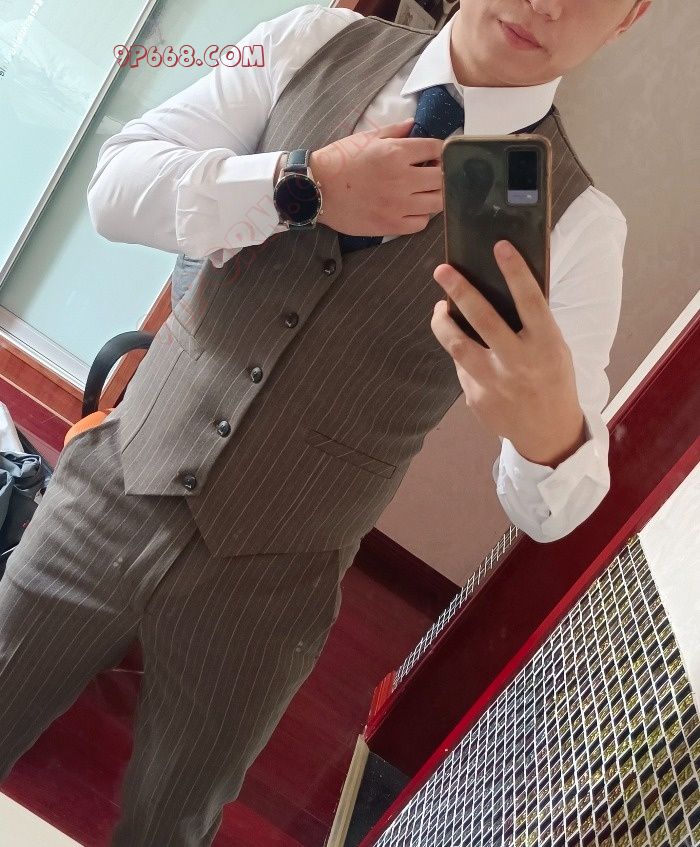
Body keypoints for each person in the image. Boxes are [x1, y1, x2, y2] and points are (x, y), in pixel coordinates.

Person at [0, 1, 652, 844]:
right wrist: (298, 185)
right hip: (113, 486)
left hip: (273, 590)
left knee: (171, 822)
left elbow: (556, 510)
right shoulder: (312, 40)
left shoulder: (582, 225)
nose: (547, 3)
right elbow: (116, 186)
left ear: (631, 16)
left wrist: (548, 430)